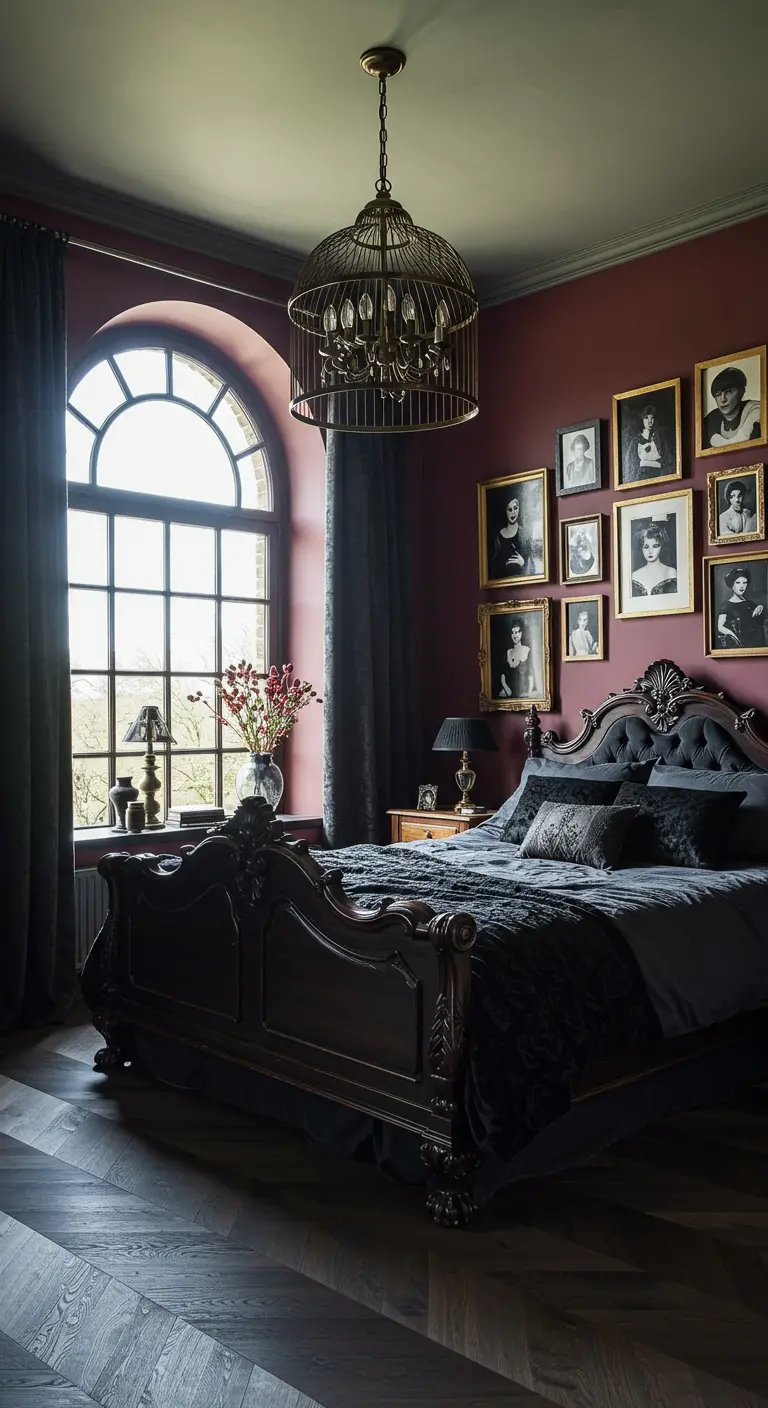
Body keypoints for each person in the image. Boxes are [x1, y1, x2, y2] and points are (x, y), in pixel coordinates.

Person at [703, 366, 761, 449]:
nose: (723, 400)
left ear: (742, 391)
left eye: (729, 392)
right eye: (718, 394)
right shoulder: (709, 421)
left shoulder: (756, 411)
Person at [717, 566, 766, 649]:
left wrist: (761, 608)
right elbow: (720, 627)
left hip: (756, 646)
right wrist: (734, 637)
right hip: (739, 646)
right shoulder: (726, 606)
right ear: (732, 585)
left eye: (744, 582)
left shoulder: (750, 604)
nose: (742, 586)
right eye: (738, 582)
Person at [623, 404, 671, 483]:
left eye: (652, 418)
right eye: (646, 418)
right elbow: (631, 466)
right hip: (643, 477)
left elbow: (667, 460)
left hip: (659, 477)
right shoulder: (635, 441)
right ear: (642, 420)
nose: (649, 421)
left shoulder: (659, 438)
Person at [490, 495, 532, 579]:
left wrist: (522, 563)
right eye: (509, 509)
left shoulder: (525, 533)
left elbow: (531, 563)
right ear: (505, 511)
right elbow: (493, 565)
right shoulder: (498, 537)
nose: (513, 512)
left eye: (515, 508)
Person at [631, 523, 677, 596]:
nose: (650, 551)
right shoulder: (634, 576)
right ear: (641, 548)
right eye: (646, 547)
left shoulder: (671, 572)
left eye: (655, 546)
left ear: (661, 547)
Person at [499, 618, 537, 698]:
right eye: (512, 633)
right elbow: (503, 675)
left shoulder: (526, 650)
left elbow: (531, 675)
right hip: (507, 693)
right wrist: (506, 689)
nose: (514, 635)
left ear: (521, 633)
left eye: (516, 632)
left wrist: (529, 693)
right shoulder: (508, 652)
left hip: (523, 693)